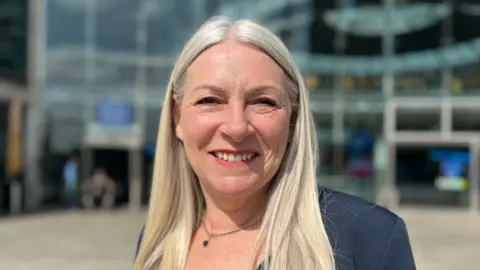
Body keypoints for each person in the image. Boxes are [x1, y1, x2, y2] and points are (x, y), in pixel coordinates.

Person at [134, 16, 416, 270]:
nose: (236, 127)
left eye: (263, 102)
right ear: (177, 117)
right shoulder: (157, 245)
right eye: (210, 100)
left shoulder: (370, 239)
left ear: (293, 120)